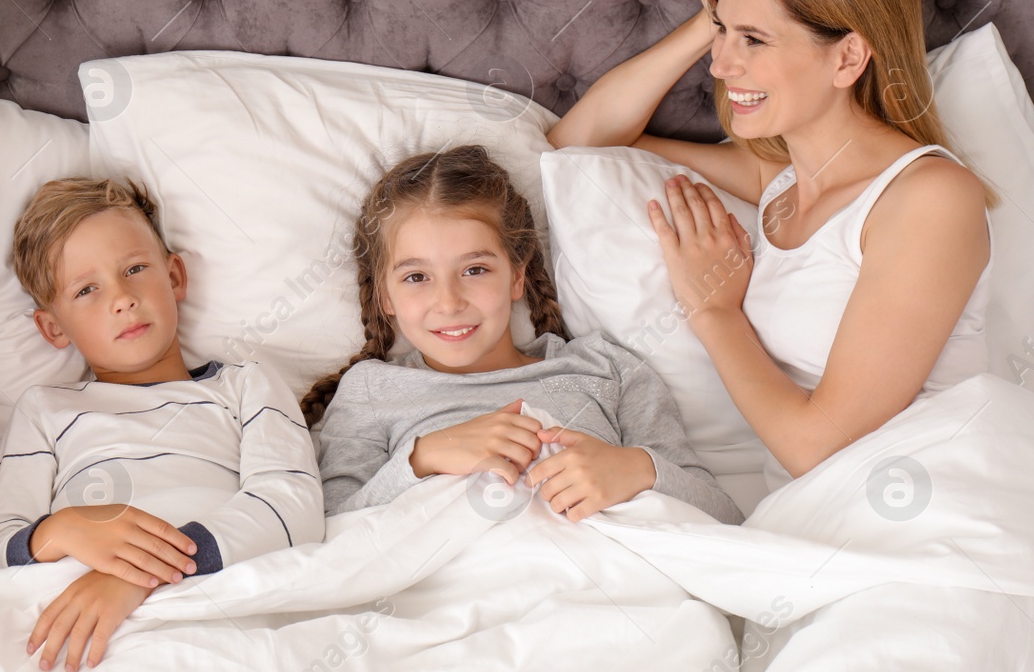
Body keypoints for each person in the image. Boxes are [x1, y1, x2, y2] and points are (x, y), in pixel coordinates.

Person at [547, 0, 994, 488]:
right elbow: (580, 143)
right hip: (809, 512)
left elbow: (818, 447)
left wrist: (714, 310)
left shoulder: (929, 199)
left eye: (753, 41)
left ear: (846, 57)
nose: (720, 65)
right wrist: (715, 15)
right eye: (722, 33)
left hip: (916, 501)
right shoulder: (780, 184)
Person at [0, 177, 325, 672]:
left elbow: (292, 508)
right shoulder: (44, 409)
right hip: (75, 623)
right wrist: (64, 528)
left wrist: (140, 575)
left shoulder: (247, 385)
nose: (122, 298)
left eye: (135, 269)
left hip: (213, 591)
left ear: (174, 276)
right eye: (87, 290)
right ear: (53, 327)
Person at [304, 145, 741, 525]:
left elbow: (723, 518)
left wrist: (637, 470)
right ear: (384, 296)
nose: (449, 301)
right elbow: (334, 536)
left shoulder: (608, 369)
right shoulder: (371, 389)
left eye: (475, 270)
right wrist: (424, 458)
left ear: (517, 276)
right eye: (417, 277)